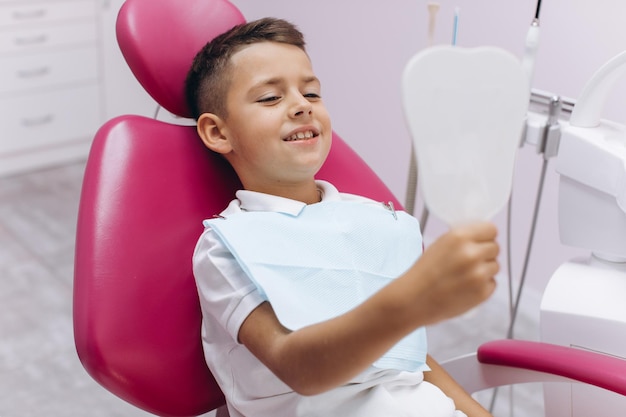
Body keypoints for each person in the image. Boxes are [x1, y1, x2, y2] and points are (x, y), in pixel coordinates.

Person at [186, 17, 499, 417]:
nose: (302, 105)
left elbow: (408, 359)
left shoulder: (368, 219)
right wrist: (413, 300)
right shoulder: (228, 247)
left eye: (312, 92)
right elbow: (300, 369)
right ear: (218, 132)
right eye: (270, 98)